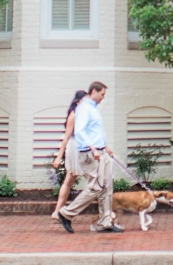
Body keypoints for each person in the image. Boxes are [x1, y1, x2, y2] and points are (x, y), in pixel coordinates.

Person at [56, 81, 123, 234]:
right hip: (89, 154)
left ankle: (104, 223)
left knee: (107, 186)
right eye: (102, 94)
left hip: (100, 152)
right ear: (94, 91)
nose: (103, 98)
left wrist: (105, 147)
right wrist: (93, 149)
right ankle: (66, 213)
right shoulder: (84, 108)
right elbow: (80, 131)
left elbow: (94, 132)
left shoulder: (92, 108)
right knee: (96, 186)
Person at [50, 90, 86, 220]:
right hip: (76, 147)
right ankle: (60, 211)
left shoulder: (83, 114)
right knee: (93, 180)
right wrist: (59, 157)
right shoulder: (74, 115)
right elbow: (66, 138)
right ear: (78, 101)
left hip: (81, 147)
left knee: (69, 180)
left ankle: (57, 212)